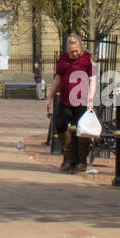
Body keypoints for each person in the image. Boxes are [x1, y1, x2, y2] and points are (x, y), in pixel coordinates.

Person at [47, 34, 97, 173]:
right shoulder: (63, 58)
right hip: (65, 99)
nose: (74, 54)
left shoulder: (89, 59)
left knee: (82, 130)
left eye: (76, 51)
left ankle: (81, 161)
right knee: (61, 125)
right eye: (71, 52)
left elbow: (93, 80)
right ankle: (68, 157)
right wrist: (50, 97)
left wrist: (91, 100)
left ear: (81, 47)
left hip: (82, 99)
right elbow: (58, 78)